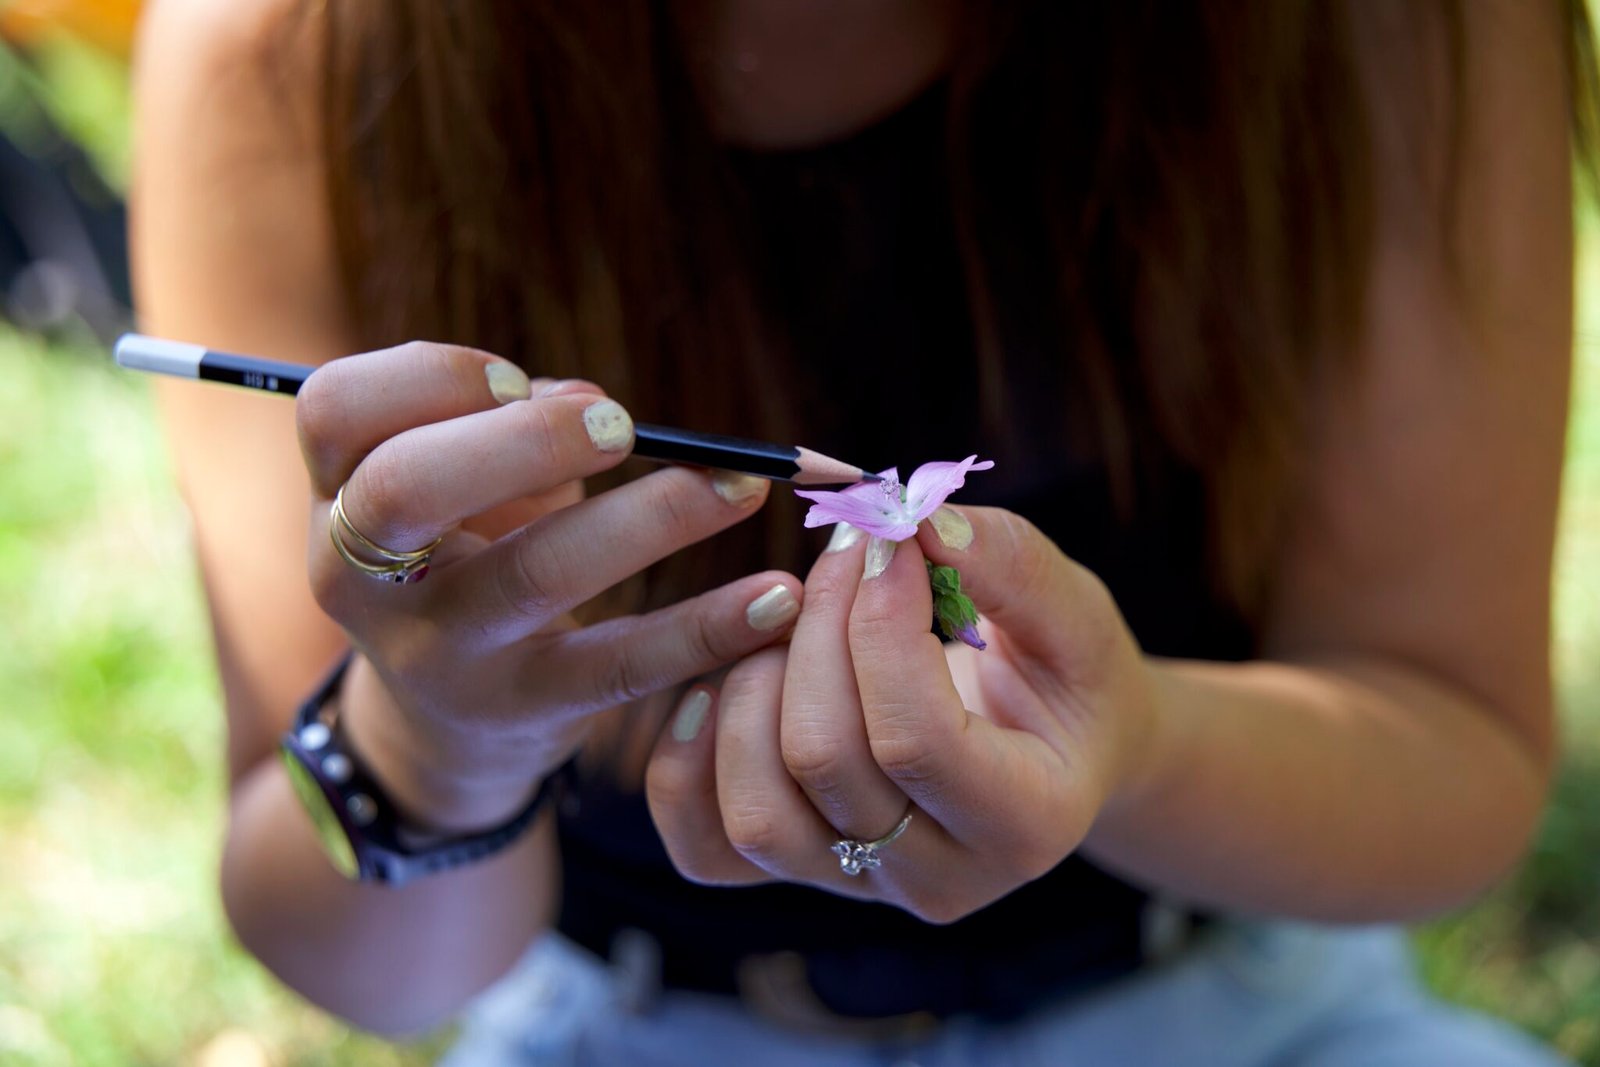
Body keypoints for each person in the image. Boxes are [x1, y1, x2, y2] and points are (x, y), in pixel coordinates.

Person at [130, 0, 1589, 1062]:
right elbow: (352, 955)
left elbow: (1448, 751)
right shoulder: (288, 44)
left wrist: (1130, 742)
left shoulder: (1392, 37)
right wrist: (439, 743)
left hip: (1244, 1014)